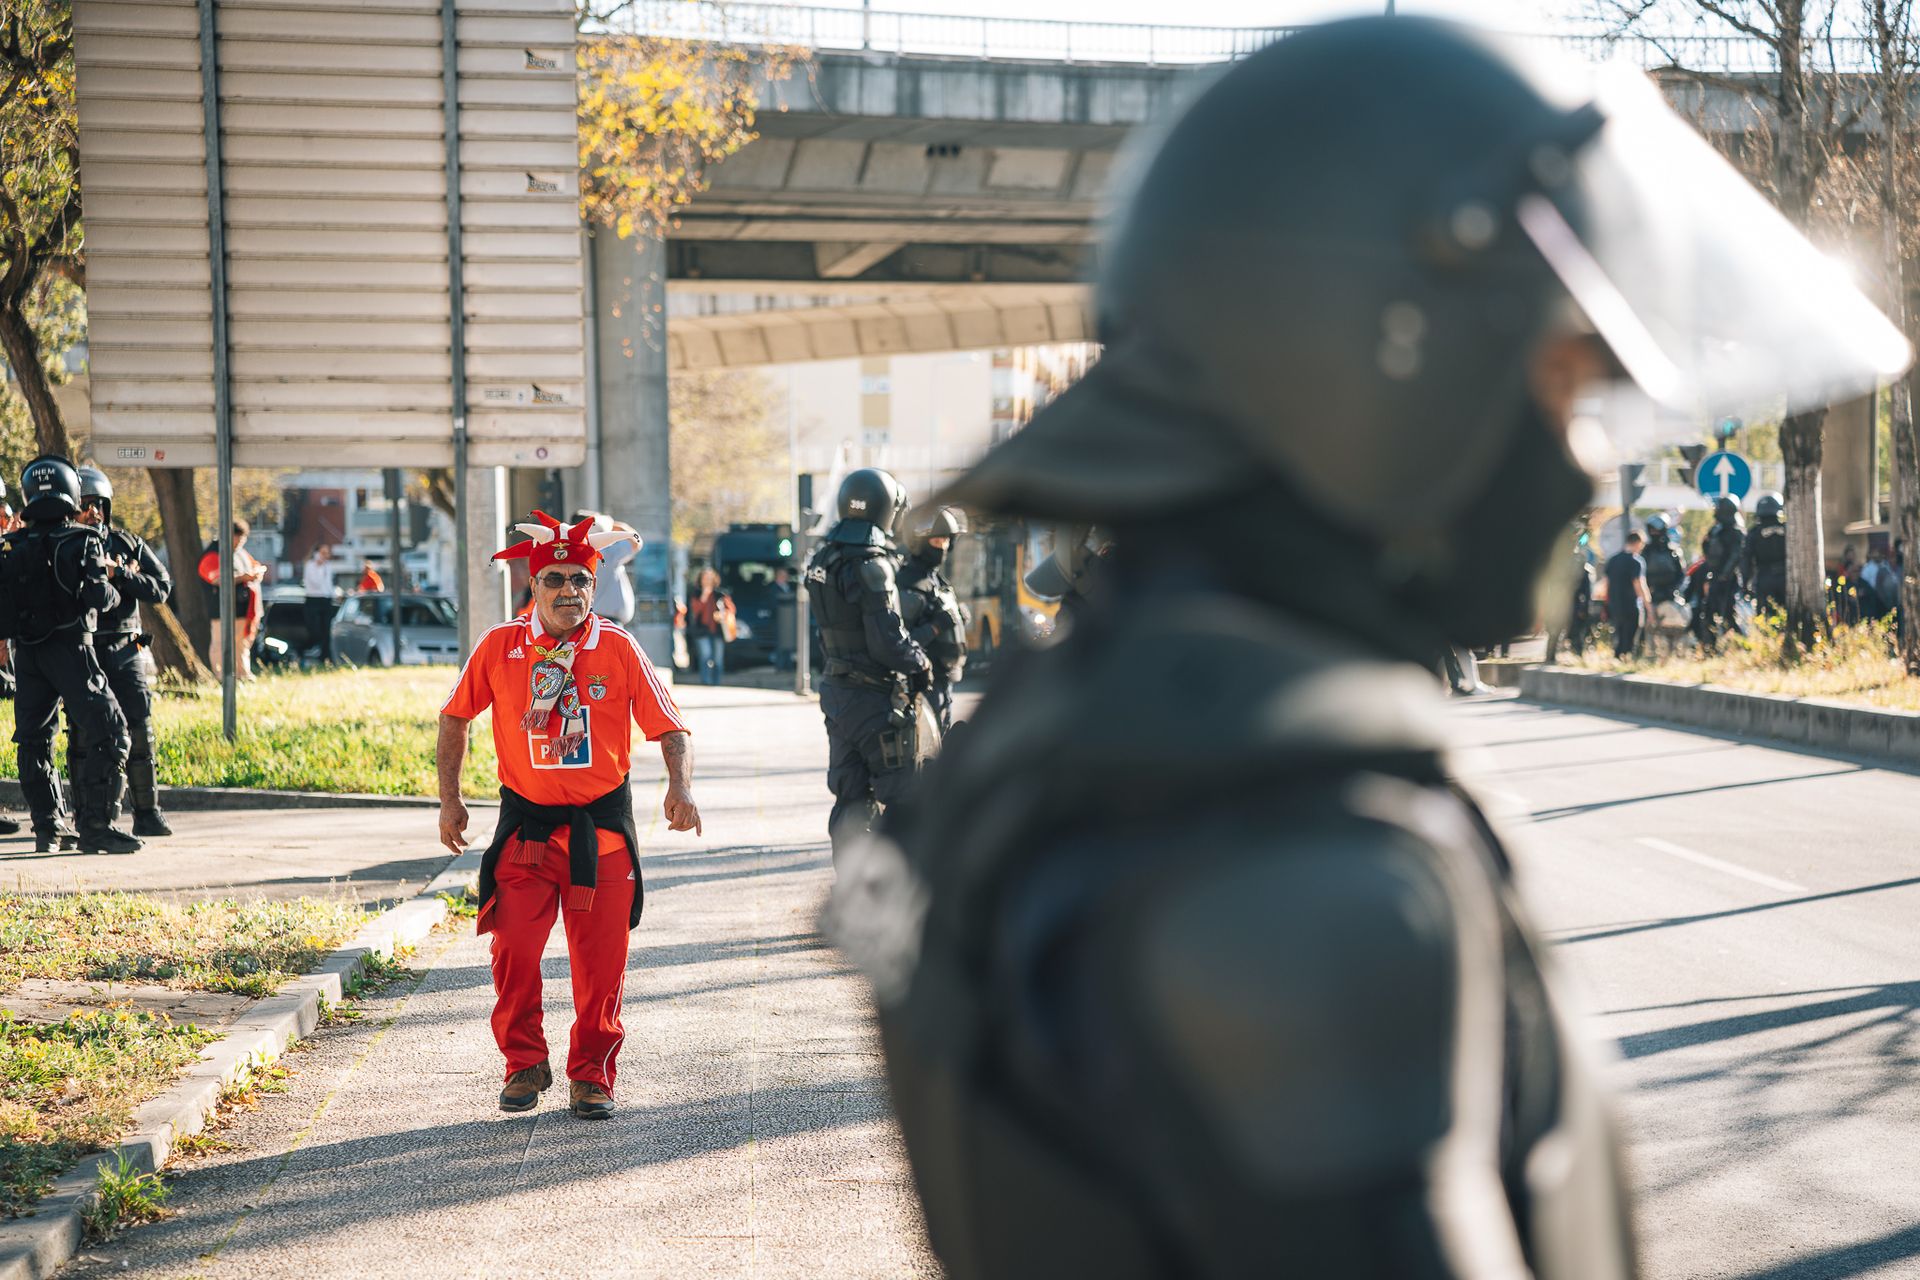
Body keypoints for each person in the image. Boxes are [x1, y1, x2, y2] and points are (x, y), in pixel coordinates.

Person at [824, 17, 1911, 1279]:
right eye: (1565, 385)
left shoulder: (1087, 741)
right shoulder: (1303, 871)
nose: (1593, 461)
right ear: (1386, 369)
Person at [436, 510, 700, 1119]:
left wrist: (680, 789)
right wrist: (450, 800)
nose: (568, 592)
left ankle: (592, 1076)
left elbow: (670, 726)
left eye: (580, 581)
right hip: (525, 830)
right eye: (555, 579)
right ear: (534, 585)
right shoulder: (502, 646)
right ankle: (524, 1063)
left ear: (594, 587)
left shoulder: (616, 647)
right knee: (515, 951)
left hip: (600, 833)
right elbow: (455, 717)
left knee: (600, 965)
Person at [2, 457, 140, 855]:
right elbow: (101, 597)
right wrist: (116, 587)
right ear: (71, 493)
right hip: (73, 649)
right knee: (112, 731)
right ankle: (98, 825)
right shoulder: (84, 540)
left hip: (26, 654)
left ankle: (48, 827)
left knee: (32, 739)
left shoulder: (13, 545)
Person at [804, 468, 932, 862]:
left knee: (849, 796)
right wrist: (919, 662)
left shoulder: (823, 559)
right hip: (875, 699)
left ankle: (852, 893)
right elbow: (886, 640)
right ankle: (899, 900)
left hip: (836, 693)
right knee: (902, 797)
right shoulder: (873, 565)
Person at [72, 467, 174, 838]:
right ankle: (87, 817)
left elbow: (162, 586)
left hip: (126, 642)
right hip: (84, 645)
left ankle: (147, 811)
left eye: (99, 505)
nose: (94, 512)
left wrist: (123, 576)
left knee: (139, 725)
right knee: (83, 732)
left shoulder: (126, 543)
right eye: (85, 505)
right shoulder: (65, 545)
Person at [899, 507, 970, 732]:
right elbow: (903, 642)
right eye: (936, 542)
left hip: (944, 678)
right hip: (924, 683)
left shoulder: (936, 579)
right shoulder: (909, 582)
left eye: (946, 541)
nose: (942, 548)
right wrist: (938, 625)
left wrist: (959, 617)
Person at [198, 521, 267, 680]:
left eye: (242, 541)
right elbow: (216, 578)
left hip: (243, 608)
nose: (239, 544)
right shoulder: (212, 554)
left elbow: (255, 565)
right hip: (221, 610)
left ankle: (242, 675)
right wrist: (244, 577)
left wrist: (257, 573)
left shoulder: (240, 553)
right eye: (237, 540)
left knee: (241, 644)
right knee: (220, 644)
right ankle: (222, 677)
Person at [575, 511, 641, 626]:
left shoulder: (573, 556)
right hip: (609, 622)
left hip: (587, 621)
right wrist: (611, 525)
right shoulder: (605, 553)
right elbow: (636, 541)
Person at [1697, 497, 1746, 647]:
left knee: (1729, 614)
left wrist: (1725, 574)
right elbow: (1707, 551)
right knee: (1709, 613)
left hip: (1728, 580)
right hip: (1716, 577)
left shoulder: (1735, 532)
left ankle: (1739, 646)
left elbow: (1736, 555)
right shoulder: (1716, 530)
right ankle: (1709, 647)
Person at [1606, 529, 1653, 657]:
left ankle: (1617, 658)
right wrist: (1649, 607)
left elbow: (1607, 584)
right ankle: (1625, 659)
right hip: (1631, 606)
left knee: (1619, 636)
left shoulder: (1613, 560)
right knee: (1630, 639)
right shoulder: (1636, 561)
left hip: (1615, 605)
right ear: (1638, 543)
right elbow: (1639, 585)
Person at [685, 568, 734, 686]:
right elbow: (695, 611)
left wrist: (722, 614)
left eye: (709, 578)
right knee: (705, 656)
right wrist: (704, 595)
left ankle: (716, 681)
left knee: (717, 658)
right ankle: (705, 680)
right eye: (705, 578)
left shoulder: (721, 593)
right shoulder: (695, 594)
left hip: (718, 630)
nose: (707, 581)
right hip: (702, 630)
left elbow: (731, 609)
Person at [1743, 491, 1787, 614]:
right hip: (1786, 577)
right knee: (1785, 613)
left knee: (1765, 614)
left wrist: (1746, 583)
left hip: (1764, 578)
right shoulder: (1788, 530)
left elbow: (1746, 559)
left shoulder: (1754, 533)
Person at [302, 543, 336, 665]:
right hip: (313, 599)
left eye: (327, 553)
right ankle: (307, 650)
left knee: (327, 630)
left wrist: (334, 595)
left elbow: (328, 584)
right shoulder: (311, 565)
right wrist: (319, 566)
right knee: (315, 629)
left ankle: (326, 658)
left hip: (326, 599)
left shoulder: (329, 566)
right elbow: (315, 582)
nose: (325, 556)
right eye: (322, 553)